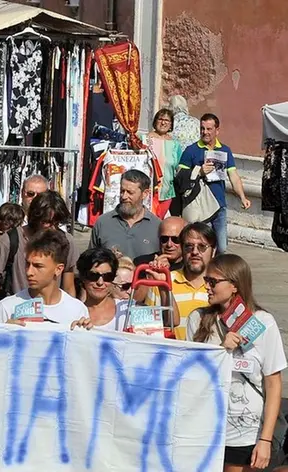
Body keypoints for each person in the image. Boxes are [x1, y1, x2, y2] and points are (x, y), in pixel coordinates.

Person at [186, 254, 285, 471]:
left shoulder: (263, 322)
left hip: (246, 432)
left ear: (234, 285)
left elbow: (273, 383)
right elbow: (192, 375)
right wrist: (222, 350)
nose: (207, 287)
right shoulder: (197, 319)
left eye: (213, 282)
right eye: (206, 280)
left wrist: (266, 440)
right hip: (205, 427)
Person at [0, 191, 78, 313]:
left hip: (54, 317)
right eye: (46, 221)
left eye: (56, 223)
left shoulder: (67, 242)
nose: (51, 228)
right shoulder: (10, 240)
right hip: (16, 315)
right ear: (36, 218)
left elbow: (69, 287)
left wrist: (71, 316)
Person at [178, 113, 251, 254]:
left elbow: (234, 176)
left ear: (217, 130)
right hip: (200, 206)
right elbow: (180, 177)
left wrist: (243, 197)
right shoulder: (191, 150)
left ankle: (215, 271)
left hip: (219, 205)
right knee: (202, 247)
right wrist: (199, 172)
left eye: (209, 129)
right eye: (202, 128)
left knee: (222, 248)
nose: (205, 132)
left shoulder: (225, 150)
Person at [0, 229, 89, 325]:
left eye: (38, 266)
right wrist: (7, 334)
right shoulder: (7, 307)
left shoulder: (77, 310)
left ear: (58, 269)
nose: (29, 272)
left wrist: (83, 333)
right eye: (27, 264)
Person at [146, 222, 216, 337]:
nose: (194, 252)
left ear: (213, 250)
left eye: (202, 246)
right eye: (189, 246)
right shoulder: (161, 282)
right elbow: (148, 329)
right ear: (182, 250)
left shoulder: (221, 287)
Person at [89, 169, 161, 260]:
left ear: (145, 194)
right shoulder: (103, 223)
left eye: (130, 192)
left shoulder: (157, 226)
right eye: (122, 191)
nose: (124, 196)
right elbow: (90, 261)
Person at [141, 109, 183, 217]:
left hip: (167, 192)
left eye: (167, 120)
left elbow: (179, 168)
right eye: (160, 119)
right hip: (147, 191)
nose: (163, 122)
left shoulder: (175, 145)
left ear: (171, 124)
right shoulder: (144, 139)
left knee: (159, 222)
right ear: (155, 121)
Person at [76, 247, 128, 331]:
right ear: (83, 277)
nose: (100, 282)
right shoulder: (73, 313)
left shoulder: (127, 309)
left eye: (107, 277)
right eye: (93, 276)